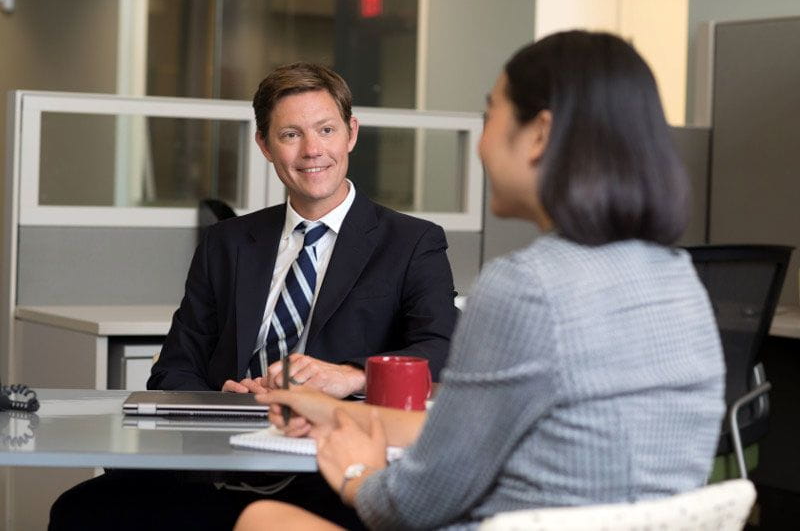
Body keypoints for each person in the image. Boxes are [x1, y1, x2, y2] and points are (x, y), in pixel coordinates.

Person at [234, 31, 726, 531]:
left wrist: (357, 475)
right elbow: (461, 430)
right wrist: (335, 413)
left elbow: (410, 505)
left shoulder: (526, 286)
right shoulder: (677, 278)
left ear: (539, 135)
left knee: (262, 518)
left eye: (491, 115)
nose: (482, 145)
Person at [49, 63, 457, 531]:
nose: (312, 150)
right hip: (227, 455)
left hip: (327, 462)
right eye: (290, 135)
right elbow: (174, 369)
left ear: (351, 133)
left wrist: (348, 377)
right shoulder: (227, 242)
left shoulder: (411, 242)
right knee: (81, 509)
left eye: (326, 130)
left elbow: (441, 351)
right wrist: (219, 397)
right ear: (264, 145)